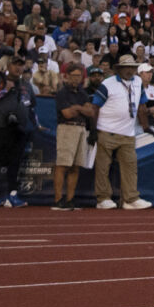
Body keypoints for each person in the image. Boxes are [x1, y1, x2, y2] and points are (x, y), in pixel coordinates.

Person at [93, 54, 154, 208]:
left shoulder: (138, 81)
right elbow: (95, 107)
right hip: (106, 130)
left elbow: (142, 105)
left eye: (132, 67)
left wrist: (145, 126)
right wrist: (93, 130)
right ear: (119, 69)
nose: (129, 70)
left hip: (128, 132)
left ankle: (130, 199)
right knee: (103, 167)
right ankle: (102, 198)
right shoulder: (107, 84)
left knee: (130, 167)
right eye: (126, 67)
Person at [0, 57, 38, 206]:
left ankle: (12, 194)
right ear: (8, 66)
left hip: (18, 128)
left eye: (21, 65)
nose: (18, 68)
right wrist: (5, 90)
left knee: (15, 162)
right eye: (15, 65)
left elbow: (31, 106)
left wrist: (36, 124)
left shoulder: (26, 85)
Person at [52, 62, 96, 210]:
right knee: (63, 164)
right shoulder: (62, 93)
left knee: (76, 166)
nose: (76, 78)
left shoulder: (83, 93)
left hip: (81, 129)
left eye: (79, 75)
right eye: (74, 75)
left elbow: (90, 112)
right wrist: (81, 108)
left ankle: (70, 199)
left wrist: (76, 108)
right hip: (67, 128)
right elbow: (67, 114)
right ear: (67, 76)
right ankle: (58, 199)